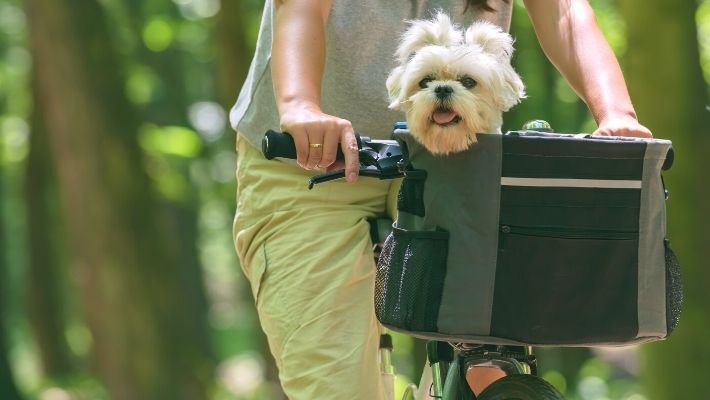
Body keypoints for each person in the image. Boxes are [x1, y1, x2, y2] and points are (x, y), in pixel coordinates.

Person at [230, 0, 653, 398]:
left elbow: (563, 13)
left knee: (491, 363)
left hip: (458, 160)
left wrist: (616, 112)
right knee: (332, 380)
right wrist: (300, 105)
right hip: (310, 161)